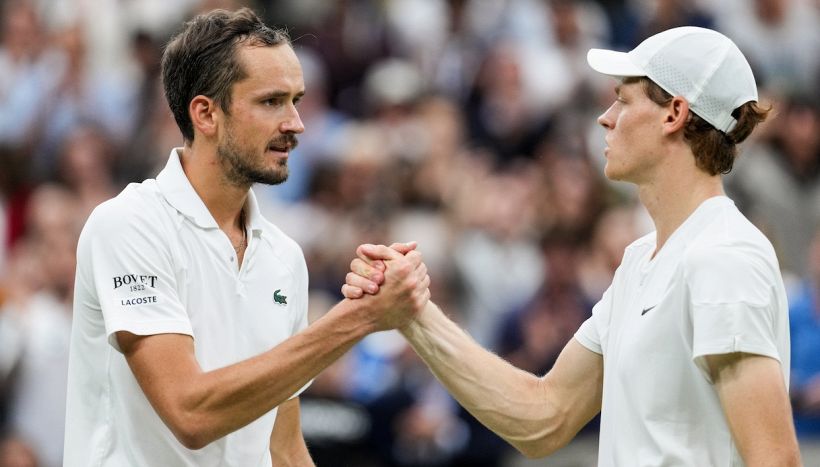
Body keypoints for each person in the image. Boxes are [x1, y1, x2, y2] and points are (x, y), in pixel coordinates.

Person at [343, 26, 802, 465]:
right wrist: (414, 312)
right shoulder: (641, 260)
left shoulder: (724, 257)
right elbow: (543, 417)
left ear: (673, 114)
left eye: (622, 100)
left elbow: (775, 460)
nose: (606, 117)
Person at [63, 8, 430, 467]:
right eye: (272, 102)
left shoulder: (284, 257)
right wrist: (357, 320)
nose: (296, 123)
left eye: (296, 100)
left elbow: (284, 447)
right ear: (206, 114)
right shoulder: (127, 225)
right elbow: (190, 414)